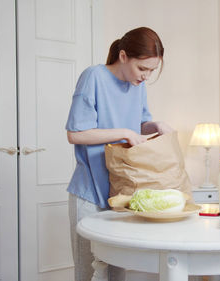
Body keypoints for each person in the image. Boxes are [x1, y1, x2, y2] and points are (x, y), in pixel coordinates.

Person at [65, 27, 173, 281]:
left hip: (121, 193)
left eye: (151, 71)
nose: (146, 76)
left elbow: (139, 125)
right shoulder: (94, 77)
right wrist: (123, 133)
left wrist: (156, 126)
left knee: (117, 271)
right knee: (88, 271)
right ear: (123, 56)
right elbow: (76, 133)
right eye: (142, 69)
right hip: (89, 193)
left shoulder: (137, 85)